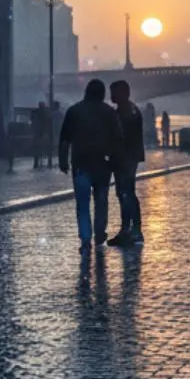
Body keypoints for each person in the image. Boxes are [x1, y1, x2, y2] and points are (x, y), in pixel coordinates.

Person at [59, 79, 124, 253]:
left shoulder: (74, 111)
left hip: (81, 162)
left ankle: (86, 238)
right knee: (101, 200)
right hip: (103, 163)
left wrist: (63, 160)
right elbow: (118, 138)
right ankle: (100, 232)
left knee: (82, 203)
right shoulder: (110, 113)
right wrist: (115, 160)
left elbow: (65, 139)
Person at [107, 81, 145, 247]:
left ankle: (133, 230)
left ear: (122, 93)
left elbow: (122, 137)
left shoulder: (126, 112)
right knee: (124, 192)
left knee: (127, 192)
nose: (111, 96)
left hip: (126, 158)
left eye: (113, 92)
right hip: (127, 157)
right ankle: (128, 229)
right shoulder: (130, 109)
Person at [31, 101, 52, 169]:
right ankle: (44, 162)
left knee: (37, 147)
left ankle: (36, 163)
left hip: (38, 132)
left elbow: (32, 120)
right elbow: (49, 122)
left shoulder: (35, 112)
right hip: (43, 132)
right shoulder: (46, 112)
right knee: (44, 147)